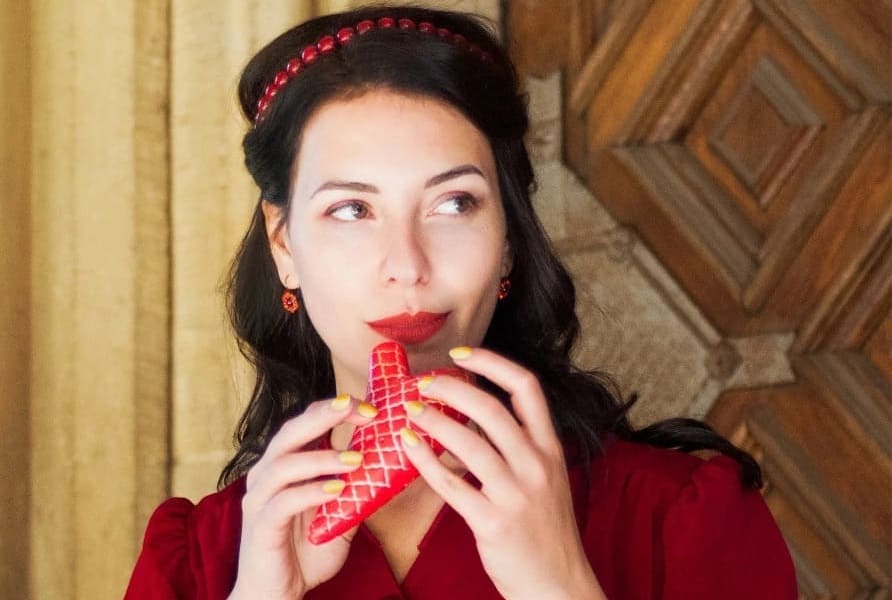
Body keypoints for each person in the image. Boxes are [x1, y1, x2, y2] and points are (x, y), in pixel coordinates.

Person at [125, 5, 797, 599]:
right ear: (284, 246)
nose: (408, 267)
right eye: (352, 209)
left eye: (454, 203)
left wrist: (558, 586)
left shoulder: (683, 518)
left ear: (507, 241)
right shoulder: (199, 561)